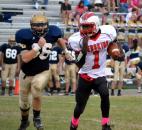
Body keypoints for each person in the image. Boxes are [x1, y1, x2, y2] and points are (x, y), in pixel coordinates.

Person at [15, 14, 72, 130]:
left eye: (42, 25)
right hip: (25, 73)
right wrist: (37, 48)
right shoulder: (24, 36)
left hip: (43, 71)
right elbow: (25, 58)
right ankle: (24, 121)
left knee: (36, 88)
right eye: (37, 26)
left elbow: (59, 39)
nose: (40, 28)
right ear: (31, 26)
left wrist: (65, 50)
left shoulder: (53, 32)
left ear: (47, 25)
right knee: (24, 103)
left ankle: (37, 118)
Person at [68, 11, 122, 130]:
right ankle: (74, 122)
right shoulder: (77, 39)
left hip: (99, 74)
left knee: (105, 94)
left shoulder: (108, 32)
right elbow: (78, 63)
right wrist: (84, 49)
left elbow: (113, 44)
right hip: (85, 75)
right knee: (80, 107)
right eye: (83, 26)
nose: (84, 29)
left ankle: (105, 124)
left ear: (96, 25)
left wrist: (116, 53)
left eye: (87, 26)